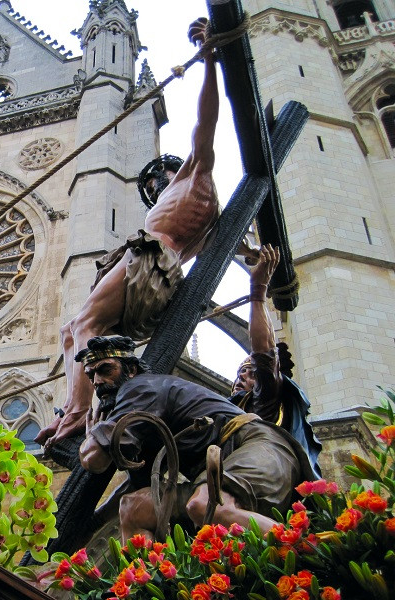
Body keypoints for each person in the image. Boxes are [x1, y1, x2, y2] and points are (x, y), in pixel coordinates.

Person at [37, 18, 256, 447]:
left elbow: (206, 121)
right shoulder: (194, 209)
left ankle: (79, 413)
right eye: (149, 183)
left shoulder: (195, 176)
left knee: (85, 322)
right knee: (72, 332)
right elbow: (234, 246)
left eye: (158, 176)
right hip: (154, 278)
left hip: (153, 261)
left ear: (176, 167)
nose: (154, 185)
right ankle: (88, 407)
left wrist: (210, 59)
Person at [76, 336, 316, 541]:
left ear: (130, 370)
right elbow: (139, 485)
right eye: (91, 375)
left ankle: (308, 553)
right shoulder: (143, 426)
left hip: (258, 446)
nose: (97, 381)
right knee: (133, 507)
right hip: (218, 470)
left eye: (105, 370)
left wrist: (91, 436)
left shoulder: (140, 388)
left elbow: (94, 460)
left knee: (204, 505)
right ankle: (146, 583)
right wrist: (85, 530)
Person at [230, 243, 323, 476]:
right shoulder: (224, 410)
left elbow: (265, 354)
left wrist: (258, 291)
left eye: (252, 373)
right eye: (240, 372)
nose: (242, 376)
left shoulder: (263, 404)